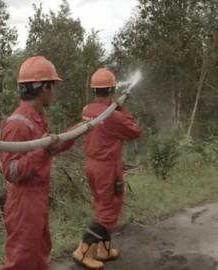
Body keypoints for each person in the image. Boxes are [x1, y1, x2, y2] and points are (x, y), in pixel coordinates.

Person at [0, 56, 75, 270]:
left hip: (38, 201)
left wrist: (77, 131)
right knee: (22, 262)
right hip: (24, 204)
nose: (54, 92)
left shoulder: (37, 118)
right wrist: (43, 150)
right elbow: (11, 171)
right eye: (53, 86)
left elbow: (49, 148)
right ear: (43, 88)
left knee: (40, 256)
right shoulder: (17, 124)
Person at [72, 68, 142, 269]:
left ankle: (103, 249)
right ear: (112, 88)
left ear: (94, 90)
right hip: (107, 169)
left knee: (102, 205)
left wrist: (114, 108)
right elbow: (135, 131)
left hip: (92, 166)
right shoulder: (113, 116)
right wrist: (120, 109)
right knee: (109, 210)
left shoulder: (87, 110)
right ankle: (83, 251)